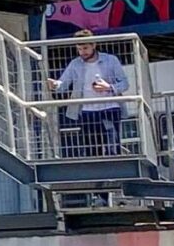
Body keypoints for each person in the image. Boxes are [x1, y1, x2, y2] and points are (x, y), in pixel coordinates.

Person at [53, 30, 131, 158]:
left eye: (85, 48)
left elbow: (125, 84)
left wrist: (109, 87)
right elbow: (63, 84)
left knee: (113, 146)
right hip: (87, 110)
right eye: (79, 49)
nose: (82, 52)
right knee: (91, 148)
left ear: (94, 45)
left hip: (110, 107)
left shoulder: (111, 60)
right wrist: (55, 85)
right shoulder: (75, 64)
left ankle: (115, 168)